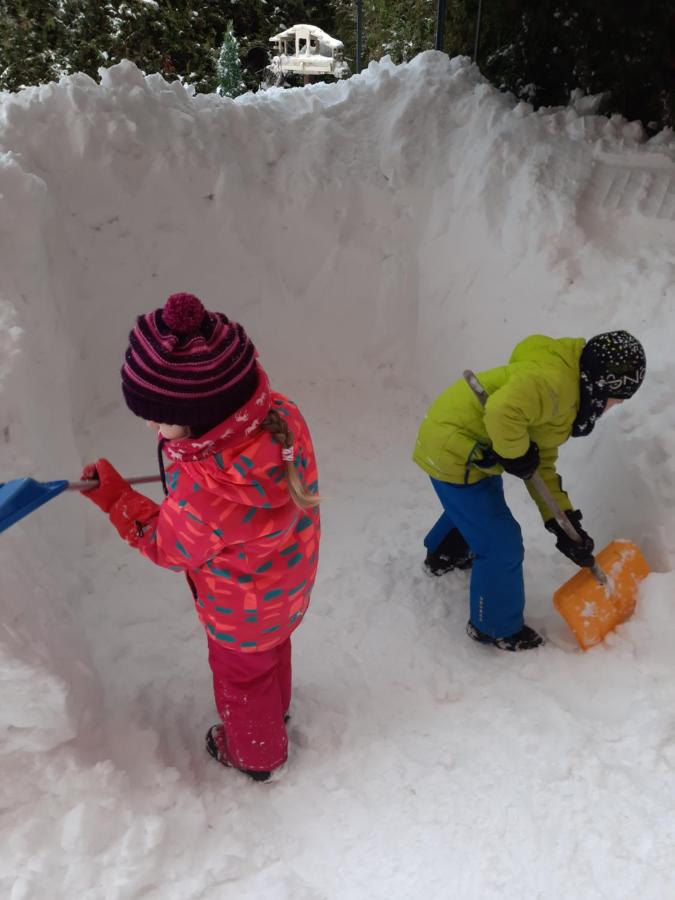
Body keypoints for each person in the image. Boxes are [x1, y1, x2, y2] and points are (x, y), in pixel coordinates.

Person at [81, 293, 320, 780]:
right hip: (288, 581)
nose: (152, 426)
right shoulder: (280, 417)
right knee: (272, 652)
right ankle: (276, 712)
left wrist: (118, 500)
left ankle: (256, 755)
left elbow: (168, 547)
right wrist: (188, 455)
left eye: (160, 417)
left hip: (240, 612)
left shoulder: (208, 495)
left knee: (243, 681)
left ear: (204, 415)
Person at [412, 331, 646, 652]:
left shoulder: (568, 394)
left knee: (479, 506)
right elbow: (501, 411)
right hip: (454, 448)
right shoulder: (554, 385)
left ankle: (445, 552)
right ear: (601, 386)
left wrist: (563, 522)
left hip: (468, 443)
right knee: (502, 544)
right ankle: (493, 626)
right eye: (614, 400)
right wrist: (516, 453)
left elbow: (540, 464)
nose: (610, 409)